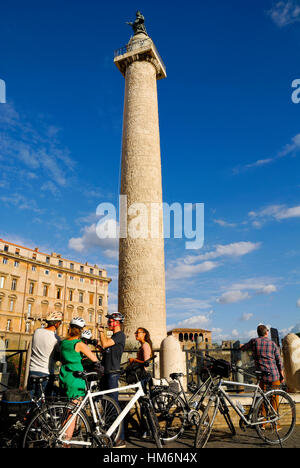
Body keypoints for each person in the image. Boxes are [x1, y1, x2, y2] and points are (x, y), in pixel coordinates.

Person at [59, 317, 102, 445]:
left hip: (65, 376)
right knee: (73, 414)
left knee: (67, 412)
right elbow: (94, 359)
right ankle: (65, 442)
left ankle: (62, 436)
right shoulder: (79, 344)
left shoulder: (63, 343)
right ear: (80, 331)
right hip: (76, 379)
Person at [240, 324, 284, 428]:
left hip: (262, 375)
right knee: (274, 399)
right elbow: (278, 360)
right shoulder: (272, 344)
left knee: (262, 399)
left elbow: (244, 348)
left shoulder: (254, 341)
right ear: (266, 332)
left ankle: (262, 423)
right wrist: (281, 373)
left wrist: (241, 346)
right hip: (274, 375)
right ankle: (275, 423)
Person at [98, 312, 126, 448]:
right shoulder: (114, 336)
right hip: (106, 372)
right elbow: (106, 349)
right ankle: (110, 434)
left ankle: (120, 438)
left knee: (114, 405)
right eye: (108, 321)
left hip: (113, 373)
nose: (108, 323)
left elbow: (105, 344)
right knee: (106, 405)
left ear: (117, 322)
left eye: (111, 321)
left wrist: (101, 333)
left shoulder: (120, 335)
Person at [28, 311, 62, 397]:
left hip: (32, 370)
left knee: (31, 399)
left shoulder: (37, 332)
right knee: (44, 402)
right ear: (57, 324)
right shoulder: (56, 339)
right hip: (45, 372)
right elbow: (58, 356)